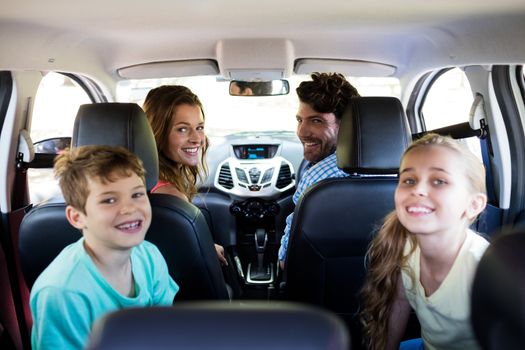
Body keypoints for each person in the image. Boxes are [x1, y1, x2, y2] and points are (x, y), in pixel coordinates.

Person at [30, 145, 179, 350]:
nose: (129, 208)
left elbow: (163, 331)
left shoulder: (150, 256)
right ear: (77, 217)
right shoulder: (62, 292)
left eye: (136, 195)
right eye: (109, 200)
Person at [359, 133, 489, 350]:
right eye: (408, 180)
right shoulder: (405, 245)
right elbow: (398, 304)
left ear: (473, 205)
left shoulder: (482, 270)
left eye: (439, 181)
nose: (417, 189)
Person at [278, 72, 360, 268]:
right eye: (300, 120)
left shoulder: (317, 179)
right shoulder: (402, 175)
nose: (302, 132)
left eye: (316, 121)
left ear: (346, 125)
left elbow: (285, 261)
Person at [143, 85, 228, 266]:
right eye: (182, 129)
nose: (197, 138)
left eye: (199, 127)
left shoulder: (142, 180)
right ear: (157, 132)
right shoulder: (171, 197)